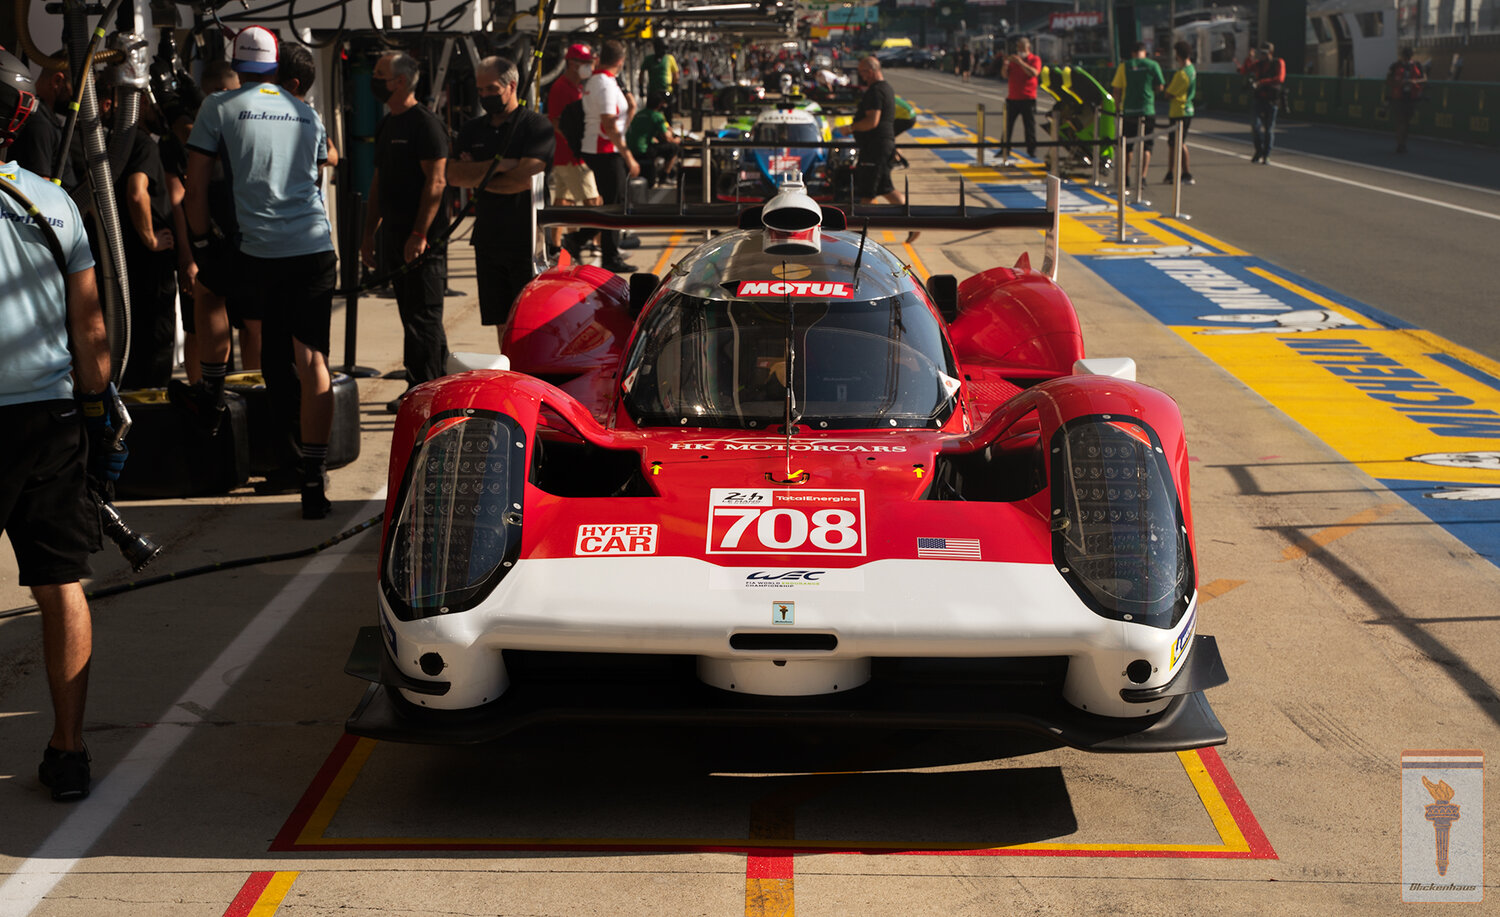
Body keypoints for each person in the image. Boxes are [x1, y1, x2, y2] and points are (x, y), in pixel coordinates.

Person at [0, 46, 119, 801]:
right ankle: (68, 750)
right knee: (61, 585)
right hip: (47, 419)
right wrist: (97, 419)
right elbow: (91, 331)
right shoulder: (54, 201)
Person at [181, 27, 339, 518]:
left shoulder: (219, 106)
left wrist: (203, 242)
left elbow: (196, 185)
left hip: (259, 250)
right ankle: (312, 477)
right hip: (314, 247)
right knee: (309, 359)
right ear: (275, 65)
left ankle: (210, 389)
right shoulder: (306, 111)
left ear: (236, 60)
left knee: (207, 290)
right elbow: (314, 179)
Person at [360, 51, 449, 412]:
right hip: (395, 236)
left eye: (380, 73)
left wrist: (420, 234)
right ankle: (435, 384)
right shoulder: (388, 124)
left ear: (399, 81)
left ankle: (423, 392)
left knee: (423, 316)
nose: (374, 79)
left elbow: (437, 181)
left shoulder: (425, 124)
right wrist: (369, 234)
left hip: (421, 241)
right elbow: (378, 182)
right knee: (411, 315)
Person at [447, 56, 555, 347]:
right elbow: (454, 175)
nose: (484, 96)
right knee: (501, 319)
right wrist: (503, 165)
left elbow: (526, 178)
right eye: (480, 90)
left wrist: (479, 176)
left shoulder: (535, 126)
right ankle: (509, 370)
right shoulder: (472, 130)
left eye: (491, 89)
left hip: (527, 241)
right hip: (489, 240)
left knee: (530, 319)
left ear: (512, 86)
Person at [97, 68, 177, 390]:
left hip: (120, 266)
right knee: (154, 349)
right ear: (140, 102)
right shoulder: (143, 144)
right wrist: (151, 238)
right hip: (147, 268)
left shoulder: (108, 143)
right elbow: (136, 192)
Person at [561, 40, 638, 274]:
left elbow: (617, 123)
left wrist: (631, 110)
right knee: (616, 206)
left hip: (602, 149)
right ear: (620, 61)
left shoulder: (597, 81)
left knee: (613, 203)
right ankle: (607, 253)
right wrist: (628, 156)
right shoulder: (604, 83)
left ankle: (582, 240)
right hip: (605, 151)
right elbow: (608, 123)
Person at [835, 55, 912, 239]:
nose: (861, 76)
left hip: (875, 148)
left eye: (862, 72)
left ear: (870, 71)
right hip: (882, 145)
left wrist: (850, 128)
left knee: (867, 191)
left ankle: (857, 235)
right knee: (885, 188)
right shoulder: (887, 89)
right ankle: (912, 222)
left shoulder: (875, 92)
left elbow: (872, 121)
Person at [546, 44, 601, 257]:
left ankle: (555, 246)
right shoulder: (562, 88)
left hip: (568, 155)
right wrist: (577, 146)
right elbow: (557, 122)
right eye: (586, 63)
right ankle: (582, 242)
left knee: (563, 202)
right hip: (572, 157)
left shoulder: (578, 86)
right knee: (593, 202)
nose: (589, 67)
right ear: (572, 63)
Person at [9, 51, 77, 188]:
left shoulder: (47, 119)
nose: (76, 99)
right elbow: (40, 185)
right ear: (57, 81)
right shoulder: (40, 123)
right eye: (73, 89)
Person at [1111, 42, 1165, 184]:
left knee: (1127, 145)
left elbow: (1116, 90)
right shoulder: (1153, 65)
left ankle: (1126, 177)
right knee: (1147, 146)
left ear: (1132, 53)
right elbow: (1160, 86)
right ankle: (1142, 177)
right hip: (1147, 110)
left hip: (1129, 111)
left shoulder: (1125, 66)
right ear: (1144, 52)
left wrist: (1117, 108)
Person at [1001, 37, 1042, 162]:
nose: (1019, 50)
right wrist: (1005, 65)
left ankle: (1032, 150)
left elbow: (1034, 73)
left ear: (1028, 48)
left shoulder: (1034, 59)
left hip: (1028, 98)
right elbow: (1004, 75)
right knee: (1007, 126)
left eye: (1022, 48)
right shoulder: (1014, 60)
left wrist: (1021, 63)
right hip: (1012, 98)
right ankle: (1004, 149)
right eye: (1018, 47)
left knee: (1029, 126)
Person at [1162, 40, 1196, 184]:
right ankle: (1171, 172)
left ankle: (1186, 173)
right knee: (1173, 143)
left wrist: (1168, 89)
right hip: (1184, 109)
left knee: (1179, 143)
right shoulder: (1191, 70)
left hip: (1180, 111)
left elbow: (1168, 93)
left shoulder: (1182, 74)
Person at [627, 91, 679, 186]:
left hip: (631, 149)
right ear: (660, 104)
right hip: (644, 150)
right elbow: (668, 138)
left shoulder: (639, 114)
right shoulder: (657, 116)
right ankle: (664, 176)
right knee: (674, 147)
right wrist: (676, 140)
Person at [1246, 42, 1284, 164]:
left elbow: (1280, 79)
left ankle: (1266, 155)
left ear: (1270, 53)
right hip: (1259, 100)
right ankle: (1258, 150)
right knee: (1255, 126)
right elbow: (1245, 69)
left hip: (1272, 101)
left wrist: (1262, 82)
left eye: (1264, 53)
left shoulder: (1278, 63)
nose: (1262, 55)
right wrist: (1249, 58)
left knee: (1269, 129)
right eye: (1260, 53)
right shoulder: (1258, 64)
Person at [1386, 47, 1426, 154]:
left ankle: (1403, 143)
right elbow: (1388, 80)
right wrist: (1400, 83)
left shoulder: (1417, 66)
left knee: (1406, 122)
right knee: (1400, 121)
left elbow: (1424, 79)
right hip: (1398, 98)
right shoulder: (1395, 66)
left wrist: (1414, 81)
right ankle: (1400, 144)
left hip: (1411, 98)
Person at [639, 37, 679, 114]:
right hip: (655, 91)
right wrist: (641, 88)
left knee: (664, 113)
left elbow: (676, 75)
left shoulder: (669, 58)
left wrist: (675, 86)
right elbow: (641, 73)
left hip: (665, 91)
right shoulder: (649, 59)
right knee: (653, 114)